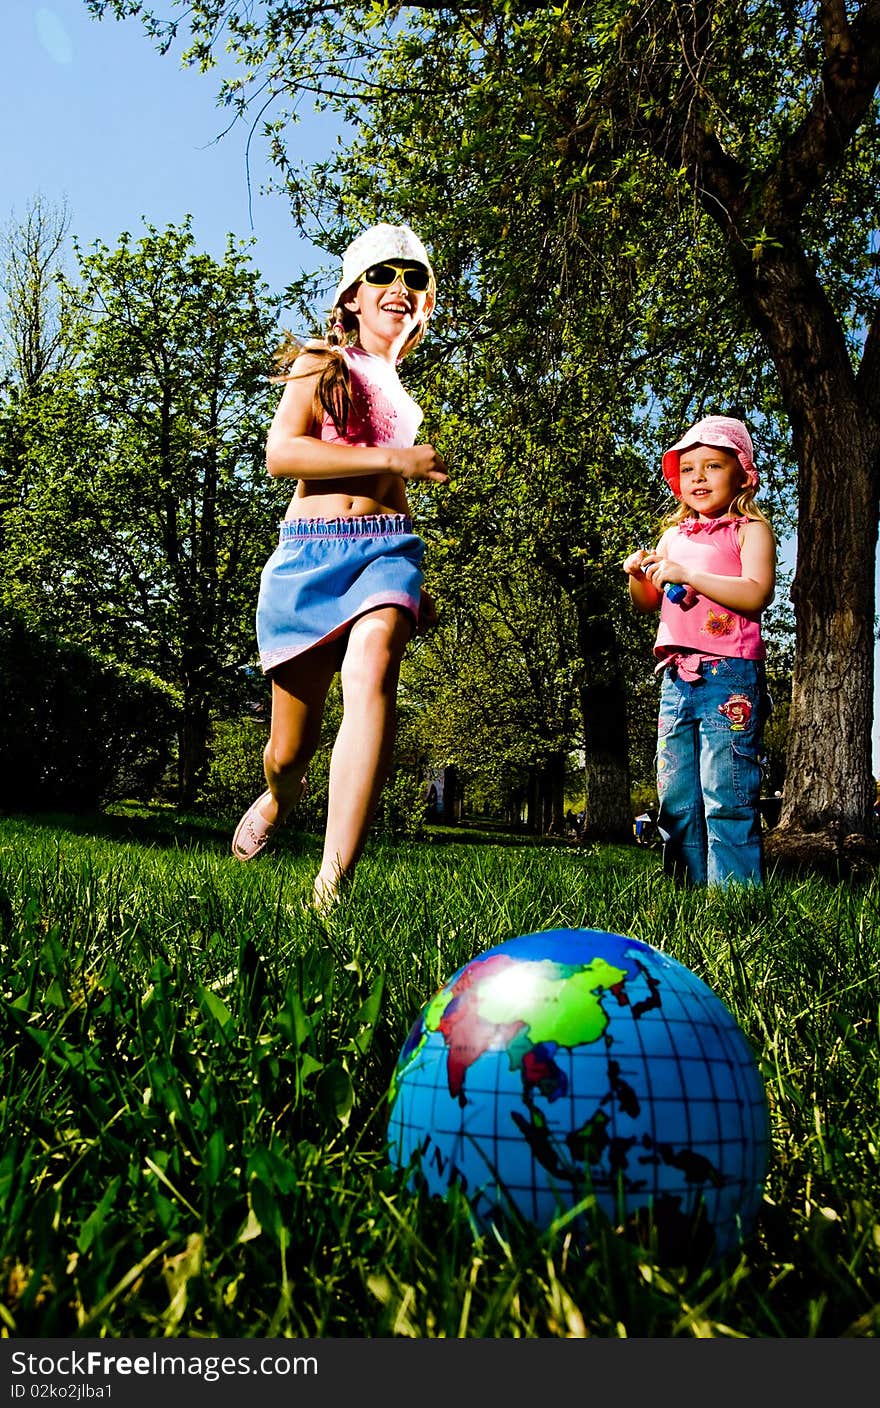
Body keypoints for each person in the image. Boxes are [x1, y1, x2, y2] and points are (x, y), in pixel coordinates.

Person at [232, 222, 449, 910]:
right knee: (288, 751)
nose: (401, 288)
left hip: (386, 552)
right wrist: (392, 459)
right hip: (308, 559)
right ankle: (278, 796)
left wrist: (415, 581)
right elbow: (283, 455)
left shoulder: (401, 395)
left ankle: (331, 887)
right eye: (385, 275)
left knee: (375, 664)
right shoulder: (319, 362)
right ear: (352, 296)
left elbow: (393, 488)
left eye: (415, 279)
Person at [623, 415, 776, 887]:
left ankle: (735, 898)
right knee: (677, 794)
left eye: (713, 466)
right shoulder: (673, 537)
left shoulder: (750, 531)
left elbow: (756, 593)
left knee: (726, 788)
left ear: (742, 474)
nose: (699, 478)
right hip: (676, 676)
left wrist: (689, 576)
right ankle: (682, 890)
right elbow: (649, 602)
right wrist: (638, 573)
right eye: (689, 469)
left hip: (730, 674)